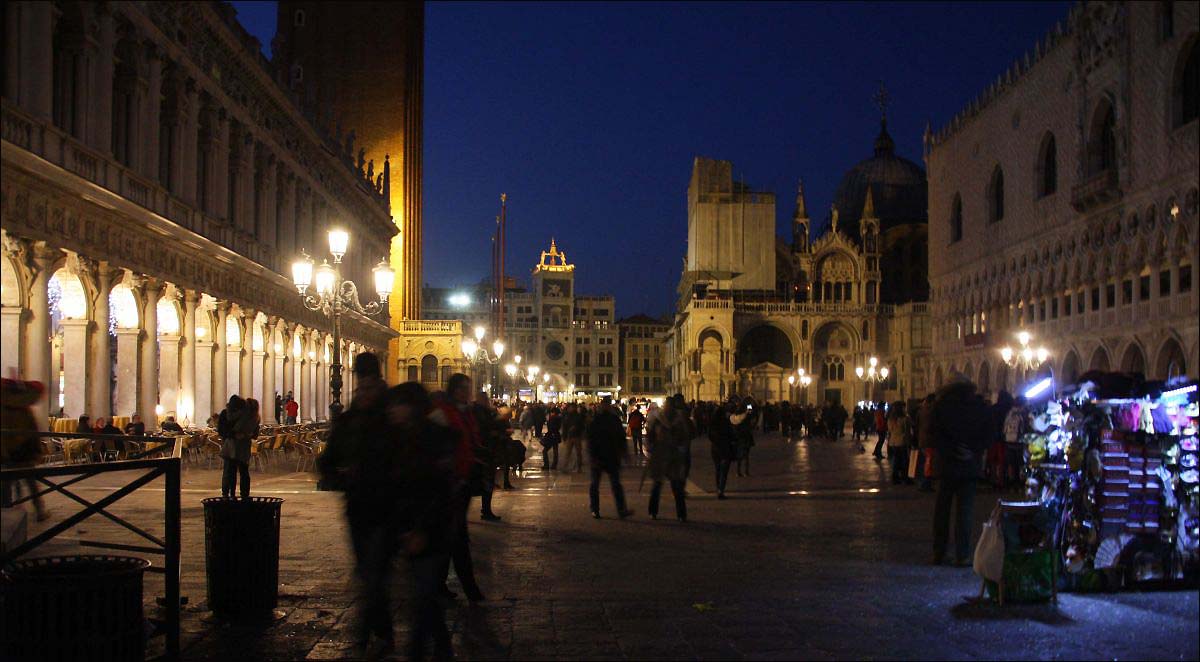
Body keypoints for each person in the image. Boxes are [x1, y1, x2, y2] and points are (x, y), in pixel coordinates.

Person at [931, 375, 993, 566]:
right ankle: (963, 554)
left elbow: (934, 435)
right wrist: (973, 451)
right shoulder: (979, 407)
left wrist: (952, 450)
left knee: (942, 511)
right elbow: (989, 434)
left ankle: (940, 552)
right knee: (965, 512)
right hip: (969, 466)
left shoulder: (941, 407)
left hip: (947, 465)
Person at [434, 374, 486, 602]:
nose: (468, 392)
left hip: (463, 480)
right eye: (464, 388)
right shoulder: (442, 413)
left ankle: (440, 585)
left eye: (469, 388)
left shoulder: (466, 413)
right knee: (457, 537)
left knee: (452, 536)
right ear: (454, 390)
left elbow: (471, 442)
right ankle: (469, 589)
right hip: (448, 483)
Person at [1, 378, 48, 521]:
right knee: (31, 483)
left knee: (6, 484)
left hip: (7, 454)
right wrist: (38, 451)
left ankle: (6, 509)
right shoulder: (25, 410)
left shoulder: (4, 410)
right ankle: (38, 509)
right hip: (23, 452)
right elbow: (34, 433)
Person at [646, 394, 693, 521]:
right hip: (662, 456)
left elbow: (685, 436)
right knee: (658, 485)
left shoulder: (678, 421)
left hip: (672, 456)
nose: (668, 408)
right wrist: (651, 448)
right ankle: (654, 511)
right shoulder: (660, 420)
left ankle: (680, 514)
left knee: (675, 486)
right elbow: (650, 436)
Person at [586, 396, 633, 519]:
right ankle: (601, 509)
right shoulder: (608, 420)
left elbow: (621, 438)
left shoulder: (599, 420)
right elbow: (591, 439)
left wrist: (625, 453)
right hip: (606, 455)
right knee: (604, 484)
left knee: (609, 484)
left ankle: (598, 509)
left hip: (607, 455)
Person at [470, 392, 503, 521]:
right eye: (486, 399)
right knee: (486, 482)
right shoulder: (479, 412)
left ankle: (486, 509)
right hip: (483, 451)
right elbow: (486, 428)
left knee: (487, 483)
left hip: (485, 451)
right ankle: (486, 510)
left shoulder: (482, 411)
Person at [218, 395, 258, 498]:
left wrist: (232, 435)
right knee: (242, 472)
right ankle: (243, 494)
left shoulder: (227, 414)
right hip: (242, 446)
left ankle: (228, 494)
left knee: (230, 471)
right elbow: (255, 434)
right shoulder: (249, 415)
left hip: (232, 446)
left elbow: (222, 431)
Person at [1002, 395, 1029, 487]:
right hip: (1018, 441)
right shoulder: (1021, 414)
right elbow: (1023, 427)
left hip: (1009, 439)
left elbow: (1005, 426)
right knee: (1019, 462)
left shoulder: (1009, 412)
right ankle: (1018, 480)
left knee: (1011, 462)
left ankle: (1012, 480)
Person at [916, 394, 937, 492]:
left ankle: (924, 482)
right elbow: (931, 426)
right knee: (928, 462)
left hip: (923, 440)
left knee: (926, 461)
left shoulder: (922, 411)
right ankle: (925, 484)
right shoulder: (931, 412)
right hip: (929, 441)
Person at [886, 402, 911, 485]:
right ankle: (905, 477)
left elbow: (889, 430)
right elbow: (907, 431)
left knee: (896, 459)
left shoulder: (890, 419)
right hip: (902, 441)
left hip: (893, 442)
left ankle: (895, 477)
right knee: (904, 460)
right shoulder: (905, 419)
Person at [731, 402, 755, 477]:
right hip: (745, 437)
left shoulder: (733, 418)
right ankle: (746, 472)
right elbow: (751, 414)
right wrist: (749, 404)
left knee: (739, 456)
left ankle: (738, 471)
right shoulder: (746, 416)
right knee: (746, 455)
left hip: (737, 438)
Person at [560, 403, 585, 473]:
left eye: (570, 408)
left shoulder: (577, 416)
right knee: (568, 452)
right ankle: (565, 467)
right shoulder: (567, 416)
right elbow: (564, 426)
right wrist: (564, 436)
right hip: (570, 436)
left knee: (578, 453)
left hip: (576, 436)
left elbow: (582, 426)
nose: (569, 409)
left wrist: (576, 428)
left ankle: (579, 467)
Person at [542, 405, 561, 471]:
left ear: (553, 413)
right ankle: (554, 465)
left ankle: (546, 465)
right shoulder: (558, 418)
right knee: (555, 451)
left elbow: (551, 428)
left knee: (544, 451)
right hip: (556, 436)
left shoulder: (553, 418)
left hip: (551, 436)